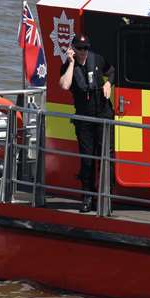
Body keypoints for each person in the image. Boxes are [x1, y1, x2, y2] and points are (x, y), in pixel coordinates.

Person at [59, 33, 115, 212]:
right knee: (87, 160)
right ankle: (87, 197)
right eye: (79, 49)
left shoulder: (97, 59)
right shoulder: (68, 65)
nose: (83, 52)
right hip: (84, 120)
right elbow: (64, 85)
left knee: (106, 157)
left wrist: (108, 84)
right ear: (73, 49)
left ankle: (106, 197)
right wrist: (71, 63)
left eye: (85, 48)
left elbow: (112, 71)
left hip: (103, 115)